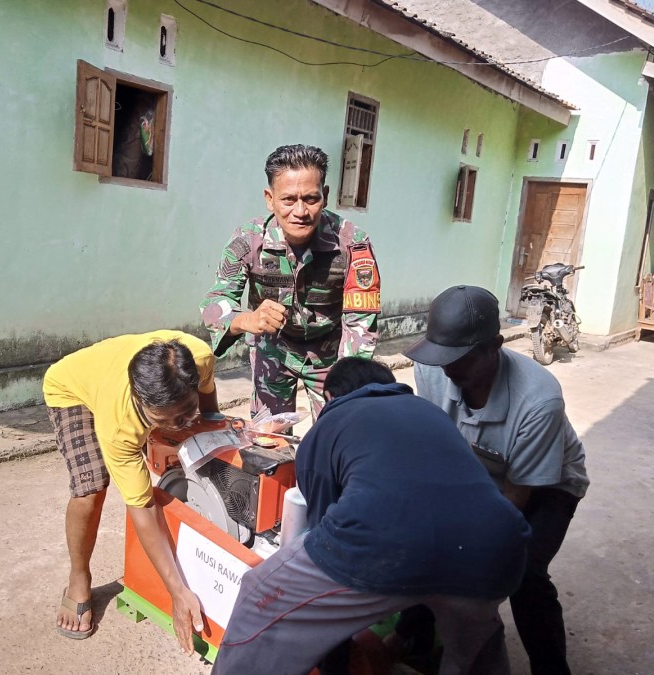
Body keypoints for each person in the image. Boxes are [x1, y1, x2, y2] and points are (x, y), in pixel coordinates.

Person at [211, 357, 531, 675]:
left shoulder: (328, 426)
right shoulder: (432, 413)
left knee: (258, 594)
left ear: (330, 397)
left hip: (385, 547)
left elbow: (323, 534)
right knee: (474, 655)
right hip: (498, 547)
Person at [405, 285, 590, 675]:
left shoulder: (539, 400)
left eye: (460, 359)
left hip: (547, 482)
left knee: (522, 571)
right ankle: (415, 644)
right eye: (441, 356)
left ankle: (552, 668)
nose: (447, 369)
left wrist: (469, 544)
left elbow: (516, 496)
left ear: (496, 346)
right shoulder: (434, 364)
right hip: (474, 465)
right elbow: (437, 439)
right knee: (423, 541)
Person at [42, 330, 219, 651]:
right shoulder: (120, 424)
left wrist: (207, 430)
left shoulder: (200, 357)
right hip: (71, 389)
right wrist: (177, 591)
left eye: (184, 410)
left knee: (186, 443)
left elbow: (207, 403)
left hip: (112, 372)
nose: (179, 423)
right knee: (91, 486)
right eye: (164, 419)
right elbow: (144, 507)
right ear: (141, 402)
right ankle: (78, 579)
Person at [200, 144, 381, 420]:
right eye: (288, 200)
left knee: (339, 432)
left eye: (311, 199)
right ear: (269, 199)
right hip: (273, 349)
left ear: (326, 196)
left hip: (332, 355)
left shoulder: (352, 243)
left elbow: (360, 320)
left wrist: (347, 378)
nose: (300, 211)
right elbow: (215, 303)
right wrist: (247, 320)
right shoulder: (248, 239)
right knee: (269, 441)